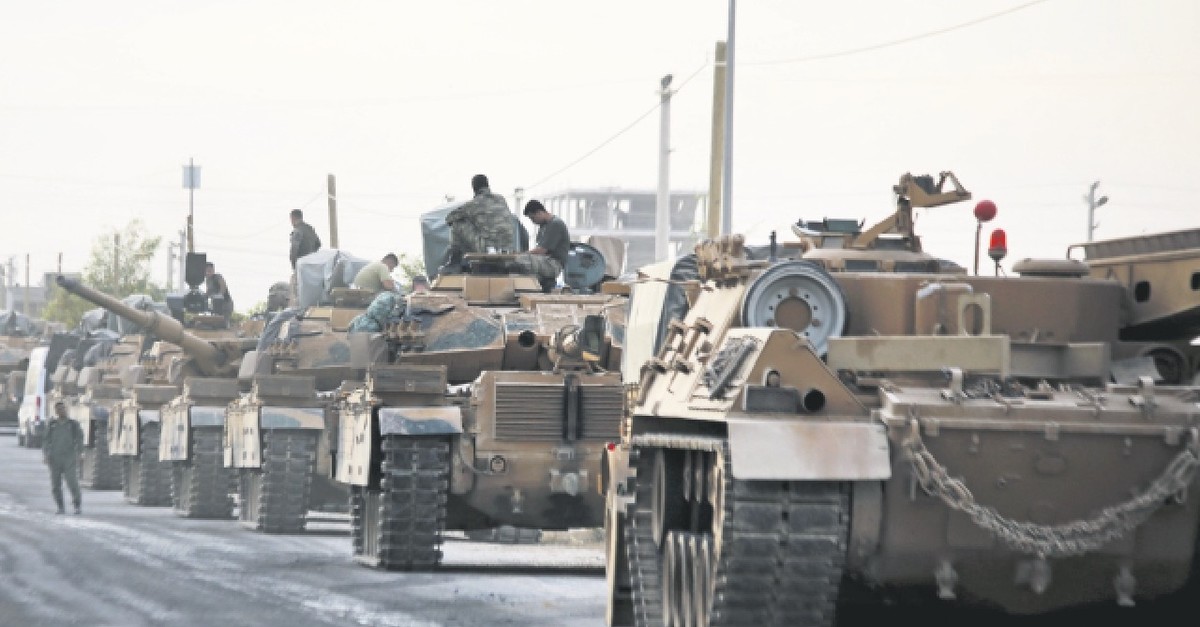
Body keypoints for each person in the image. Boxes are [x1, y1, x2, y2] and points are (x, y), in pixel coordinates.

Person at [443, 174, 517, 271]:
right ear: (487, 185)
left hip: (487, 249)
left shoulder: (474, 204)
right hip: (507, 248)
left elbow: (449, 218)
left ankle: (454, 261)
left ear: (474, 188)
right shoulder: (501, 199)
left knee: (457, 223)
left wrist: (470, 220)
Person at [520, 199, 570, 292]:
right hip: (545, 261)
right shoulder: (544, 226)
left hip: (554, 264)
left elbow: (542, 250)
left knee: (522, 261)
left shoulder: (555, 224)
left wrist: (522, 254)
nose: (533, 221)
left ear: (539, 212)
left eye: (533, 218)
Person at [43, 401, 83, 515]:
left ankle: (77, 505)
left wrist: (80, 453)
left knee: (72, 482)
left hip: (69, 458)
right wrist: (46, 454)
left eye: (63, 409)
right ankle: (60, 506)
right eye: (59, 409)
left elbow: (79, 438)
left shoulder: (73, 424)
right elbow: (46, 440)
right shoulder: (52, 425)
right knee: (55, 485)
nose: (62, 411)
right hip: (55, 458)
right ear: (56, 411)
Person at [289, 209, 322, 305]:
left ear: (292, 218)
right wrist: (311, 256)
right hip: (312, 268)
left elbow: (294, 250)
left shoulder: (297, 231)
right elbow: (318, 244)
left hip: (301, 266)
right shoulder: (310, 229)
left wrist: (294, 266)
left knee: (297, 295)